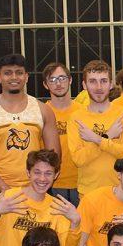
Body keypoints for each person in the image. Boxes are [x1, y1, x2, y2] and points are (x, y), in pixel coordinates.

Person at [0, 54, 60, 205]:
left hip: (37, 189)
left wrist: (37, 185)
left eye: (19, 72)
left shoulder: (43, 110)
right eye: (7, 73)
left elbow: (54, 156)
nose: (14, 77)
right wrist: (6, 190)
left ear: (26, 77)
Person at [67, 60, 123, 198]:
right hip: (88, 194)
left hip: (121, 192)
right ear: (84, 85)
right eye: (92, 81)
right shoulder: (76, 118)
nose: (99, 87)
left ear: (111, 84)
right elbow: (78, 159)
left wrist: (97, 139)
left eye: (103, 81)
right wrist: (108, 136)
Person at [42, 61, 82, 203]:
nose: (58, 84)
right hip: (52, 183)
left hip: (81, 182)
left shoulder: (82, 111)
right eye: (52, 80)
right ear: (46, 85)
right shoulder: (42, 113)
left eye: (62, 78)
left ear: (70, 80)